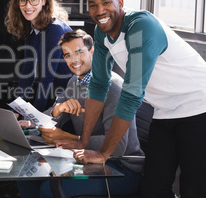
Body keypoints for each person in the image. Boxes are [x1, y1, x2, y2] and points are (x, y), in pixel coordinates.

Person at [57, 0, 206, 198]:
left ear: (121, 3)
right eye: (93, 5)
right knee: (153, 189)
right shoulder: (101, 33)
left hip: (198, 105)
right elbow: (98, 85)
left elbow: (132, 94)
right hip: (164, 111)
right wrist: (83, 140)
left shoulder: (140, 27)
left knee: (194, 188)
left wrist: (103, 153)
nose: (100, 11)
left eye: (106, 2)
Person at [18, 30, 144, 197]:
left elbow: (118, 146)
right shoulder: (74, 82)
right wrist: (52, 113)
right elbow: (54, 113)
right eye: (67, 55)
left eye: (79, 52)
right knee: (27, 174)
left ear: (92, 51)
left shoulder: (113, 87)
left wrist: (73, 139)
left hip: (120, 168)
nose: (74, 60)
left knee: (48, 190)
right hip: (86, 160)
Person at [4, 0, 72, 112]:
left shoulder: (54, 28)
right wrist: (16, 110)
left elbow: (47, 78)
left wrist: (34, 117)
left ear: (44, 1)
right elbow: (28, 72)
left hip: (74, 97)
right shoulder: (32, 28)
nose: (28, 6)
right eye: (23, 0)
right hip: (60, 96)